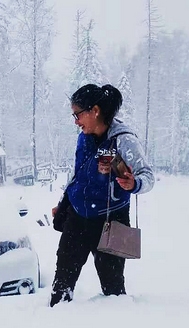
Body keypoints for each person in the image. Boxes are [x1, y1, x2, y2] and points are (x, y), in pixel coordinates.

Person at [49, 83, 154, 307]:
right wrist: (64, 202)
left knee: (113, 289)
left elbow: (148, 177)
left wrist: (134, 183)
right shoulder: (83, 138)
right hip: (77, 217)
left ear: (94, 111)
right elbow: (77, 174)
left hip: (112, 220)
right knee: (62, 284)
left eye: (78, 115)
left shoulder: (124, 139)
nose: (76, 121)